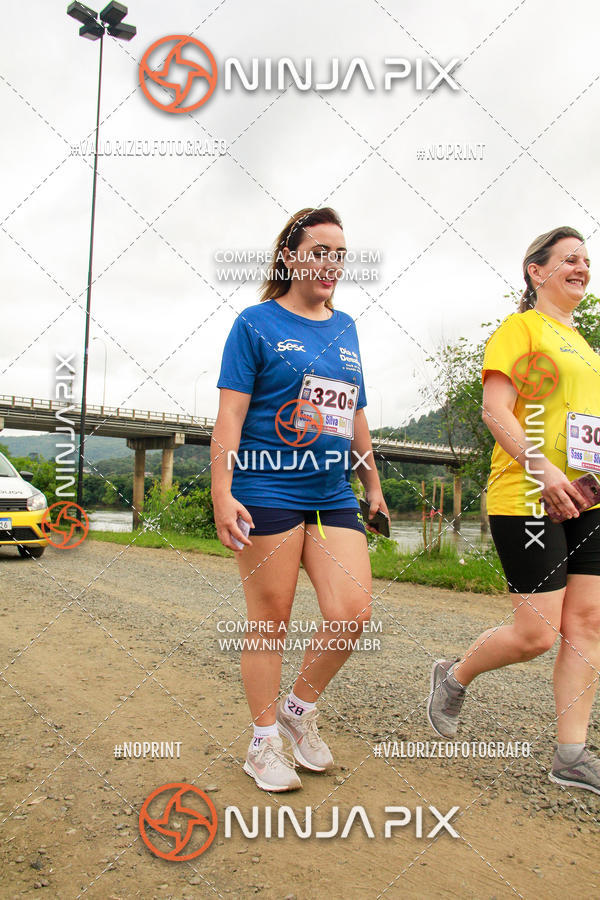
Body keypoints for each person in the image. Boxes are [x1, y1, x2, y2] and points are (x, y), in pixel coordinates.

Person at [211, 207, 389, 792]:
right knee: (271, 618)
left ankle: (297, 708)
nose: (331, 264)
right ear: (289, 257)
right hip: (267, 486)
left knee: (351, 613)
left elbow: (354, 413)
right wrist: (222, 491)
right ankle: (262, 743)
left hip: (330, 490)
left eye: (339, 254)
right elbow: (230, 416)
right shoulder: (254, 323)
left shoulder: (347, 327)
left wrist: (373, 485)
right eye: (319, 251)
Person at [427, 226, 600, 795]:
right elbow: (495, 411)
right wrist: (542, 470)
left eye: (587, 259)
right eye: (569, 259)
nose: (582, 266)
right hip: (527, 495)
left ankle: (571, 756)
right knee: (536, 634)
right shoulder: (520, 330)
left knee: (589, 622)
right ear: (536, 270)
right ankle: (454, 676)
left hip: (587, 497)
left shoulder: (588, 349)